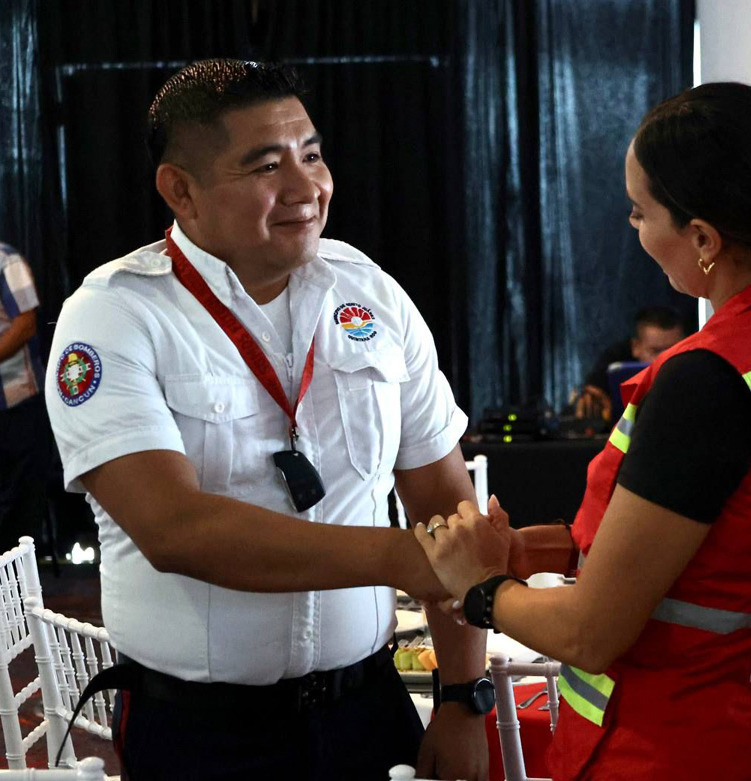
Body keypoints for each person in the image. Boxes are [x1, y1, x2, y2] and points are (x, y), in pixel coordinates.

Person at [417, 82, 751, 781]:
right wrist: (535, 550)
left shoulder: (710, 380)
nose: (632, 227)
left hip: (680, 742)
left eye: (639, 210)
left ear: (701, 238)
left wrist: (479, 587)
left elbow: (589, 634)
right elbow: (730, 549)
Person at [45, 60, 489, 781]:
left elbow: (443, 504)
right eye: (266, 165)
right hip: (200, 732)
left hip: (368, 710)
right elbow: (176, 528)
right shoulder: (115, 315)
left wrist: (465, 697)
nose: (306, 188)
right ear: (180, 190)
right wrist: (405, 557)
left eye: (312, 154)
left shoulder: (370, 294)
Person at [0, 238, 48, 560]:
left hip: (13, 402)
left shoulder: (3, 261)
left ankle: (13, 589)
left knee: (17, 500)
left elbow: (25, 326)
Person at [571, 305, 685, 422]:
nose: (664, 359)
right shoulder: (609, 371)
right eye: (655, 351)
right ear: (636, 347)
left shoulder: (694, 366)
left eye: (674, 350)